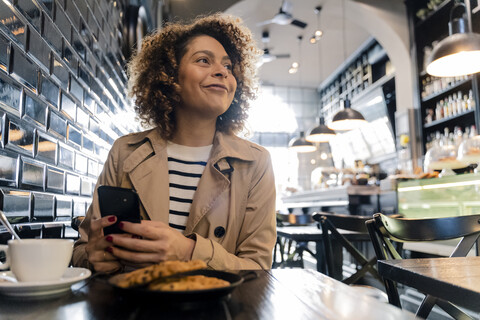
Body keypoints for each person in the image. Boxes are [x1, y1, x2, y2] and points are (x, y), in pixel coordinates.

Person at [72, 14, 276, 273]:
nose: (222, 71)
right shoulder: (125, 152)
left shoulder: (255, 162)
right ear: (169, 76)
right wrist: (94, 258)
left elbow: (258, 269)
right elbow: (82, 250)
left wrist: (189, 251)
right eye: (203, 60)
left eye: (228, 66)